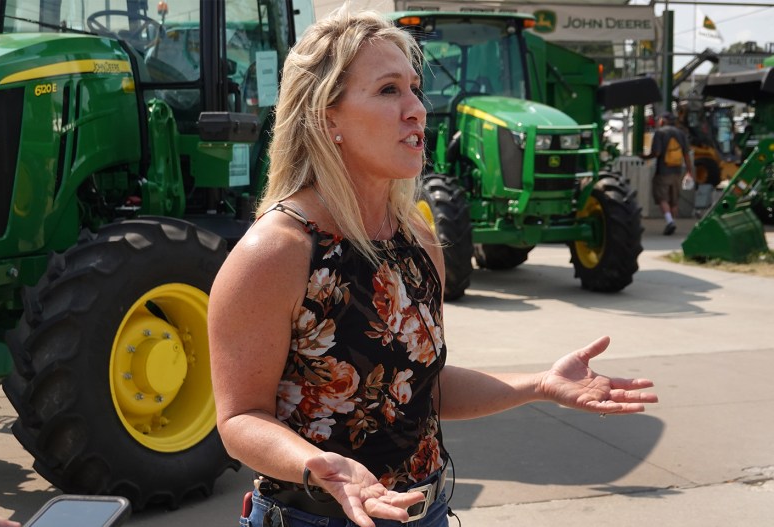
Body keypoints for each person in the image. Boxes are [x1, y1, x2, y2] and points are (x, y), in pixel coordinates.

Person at [207, 8, 659, 527]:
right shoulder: (278, 250)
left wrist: (540, 385)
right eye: (388, 90)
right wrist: (321, 467)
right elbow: (240, 418)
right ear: (327, 117)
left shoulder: (418, 239)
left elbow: (425, 385)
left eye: (415, 90)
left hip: (428, 513)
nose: (417, 109)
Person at [643, 111, 694, 235]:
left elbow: (657, 153)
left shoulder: (660, 133)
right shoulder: (681, 134)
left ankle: (669, 221)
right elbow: (686, 155)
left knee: (662, 198)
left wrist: (644, 157)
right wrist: (689, 171)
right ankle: (673, 221)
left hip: (663, 171)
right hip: (677, 171)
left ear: (663, 121)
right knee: (674, 200)